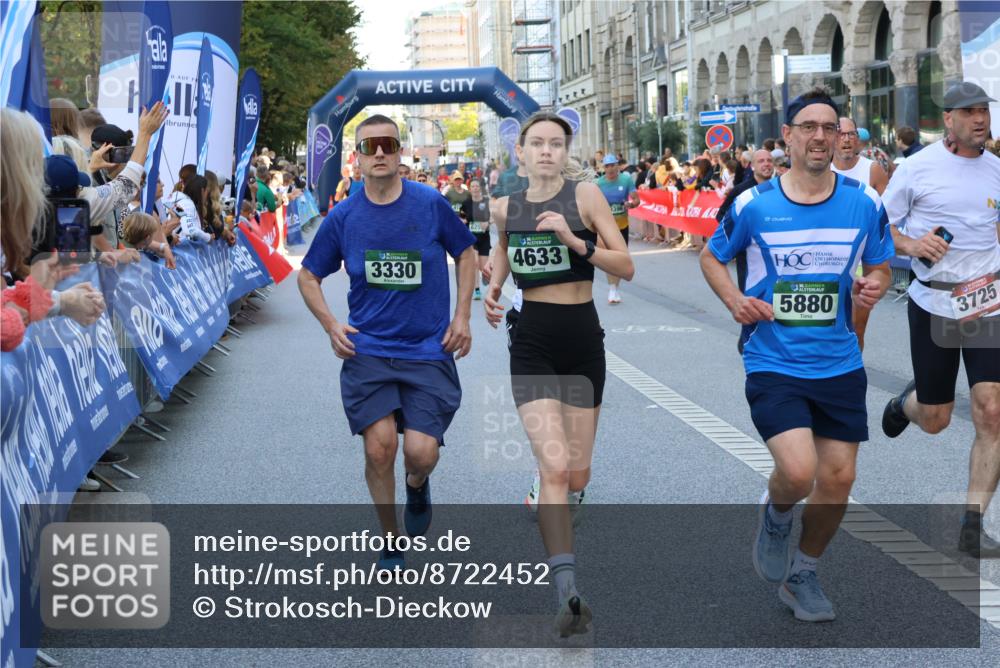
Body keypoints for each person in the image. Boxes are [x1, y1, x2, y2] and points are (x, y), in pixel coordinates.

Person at [700, 87, 893, 622]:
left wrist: (872, 286)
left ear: (840, 137)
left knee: (838, 480)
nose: (819, 136)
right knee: (799, 470)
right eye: (808, 126)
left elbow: (878, 265)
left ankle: (803, 572)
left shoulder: (864, 203)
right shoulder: (753, 204)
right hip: (773, 360)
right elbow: (712, 258)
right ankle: (778, 515)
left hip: (840, 360)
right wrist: (736, 300)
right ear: (787, 136)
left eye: (830, 128)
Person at [298, 114, 477, 570]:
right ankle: (391, 539)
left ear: (401, 153)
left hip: (426, 350)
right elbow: (308, 275)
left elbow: (467, 251)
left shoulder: (429, 203)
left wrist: (463, 316)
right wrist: (331, 325)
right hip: (370, 350)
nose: (380, 153)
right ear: (356, 159)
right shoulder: (343, 217)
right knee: (379, 447)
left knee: (420, 452)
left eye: (388, 145)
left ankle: (417, 485)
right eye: (369, 146)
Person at [483, 111, 634, 637]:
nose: (546, 151)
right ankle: (567, 592)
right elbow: (503, 251)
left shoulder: (586, 197)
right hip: (533, 342)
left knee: (576, 476)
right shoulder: (505, 207)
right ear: (520, 153)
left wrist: (576, 242)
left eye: (555, 143)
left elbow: (625, 266)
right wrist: (493, 289)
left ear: (566, 151)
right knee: (553, 470)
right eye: (537, 143)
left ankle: (559, 493)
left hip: (582, 338)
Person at [880, 82, 1000, 558]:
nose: (980, 120)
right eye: (969, 112)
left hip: (986, 305)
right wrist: (911, 245)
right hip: (934, 303)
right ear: (947, 119)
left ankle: (973, 524)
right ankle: (904, 405)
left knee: (992, 409)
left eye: (985, 111)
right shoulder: (916, 168)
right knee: (936, 419)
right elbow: (877, 229)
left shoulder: (996, 170)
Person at [831, 117, 889, 352]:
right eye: (841, 134)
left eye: (851, 134)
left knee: (856, 327)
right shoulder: (822, 169)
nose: (846, 139)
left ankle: (851, 376)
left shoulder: (872, 169)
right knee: (827, 324)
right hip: (829, 256)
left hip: (862, 261)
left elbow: (889, 212)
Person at [595, 154, 639, 304]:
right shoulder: (598, 183)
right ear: (604, 168)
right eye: (607, 166)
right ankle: (612, 289)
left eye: (613, 165)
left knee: (620, 258)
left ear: (617, 166)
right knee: (609, 257)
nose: (610, 169)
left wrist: (631, 204)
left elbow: (636, 199)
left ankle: (615, 288)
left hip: (622, 225)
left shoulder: (626, 180)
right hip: (605, 226)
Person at [715, 148, 774, 223]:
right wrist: (740, 229)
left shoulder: (780, 187)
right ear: (752, 166)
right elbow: (721, 215)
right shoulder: (740, 190)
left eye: (769, 160)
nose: (766, 164)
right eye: (761, 161)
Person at [459, 179, 493, 300]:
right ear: (470, 188)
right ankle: (477, 290)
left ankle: (485, 277)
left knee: (484, 267)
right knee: (475, 263)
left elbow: (494, 216)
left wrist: (488, 222)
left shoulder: (487, 201)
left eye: (477, 186)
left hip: (484, 237)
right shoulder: (466, 203)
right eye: (472, 186)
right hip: (471, 238)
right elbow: (461, 218)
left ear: (480, 188)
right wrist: (464, 221)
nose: (475, 188)